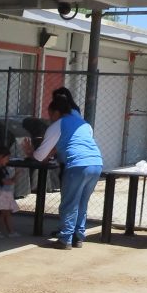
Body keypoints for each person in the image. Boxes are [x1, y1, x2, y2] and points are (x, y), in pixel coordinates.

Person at [33, 89, 103, 250]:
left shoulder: (57, 125)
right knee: (82, 202)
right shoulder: (84, 123)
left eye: (50, 114)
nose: (49, 118)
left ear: (57, 112)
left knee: (69, 203)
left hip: (77, 165)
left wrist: (32, 152)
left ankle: (65, 239)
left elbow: (39, 156)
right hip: (96, 163)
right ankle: (78, 237)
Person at [0, 146, 20, 238]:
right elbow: (7, 182)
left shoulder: (2, 168)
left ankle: (10, 231)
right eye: (7, 158)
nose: (8, 160)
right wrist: (17, 175)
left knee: (6, 213)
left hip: (5, 194)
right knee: (3, 214)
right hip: (2, 195)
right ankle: (0, 231)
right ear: (0, 157)